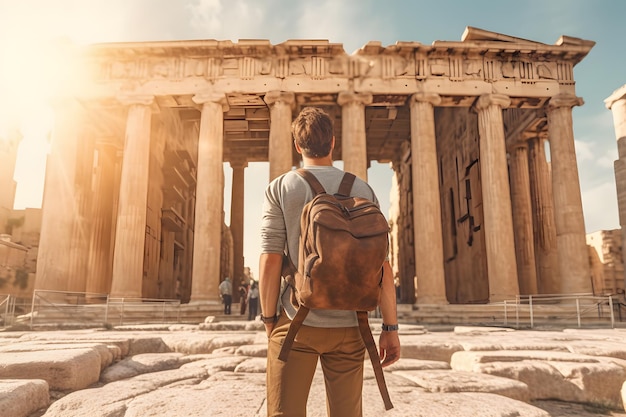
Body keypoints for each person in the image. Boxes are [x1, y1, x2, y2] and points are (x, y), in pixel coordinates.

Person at [259, 106, 401, 417]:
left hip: (296, 322)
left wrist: (269, 319)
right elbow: (382, 267)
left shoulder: (281, 187)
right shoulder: (363, 189)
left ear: (298, 146)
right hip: (352, 325)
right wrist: (390, 326)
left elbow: (270, 260)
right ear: (333, 143)